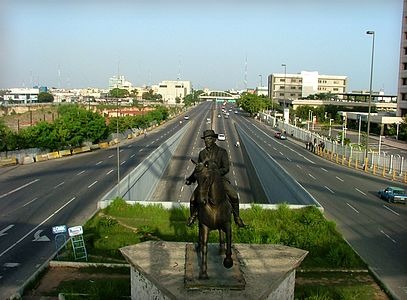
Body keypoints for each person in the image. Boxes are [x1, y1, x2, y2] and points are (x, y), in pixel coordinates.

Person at [185, 129, 245, 227]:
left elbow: (226, 168)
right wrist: (191, 179)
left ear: (213, 140)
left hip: (219, 180)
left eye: (208, 139)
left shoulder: (222, 152)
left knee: (234, 196)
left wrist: (215, 174)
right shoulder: (202, 153)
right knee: (193, 199)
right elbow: (199, 169)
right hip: (205, 181)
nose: (206, 141)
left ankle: (237, 217)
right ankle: (193, 217)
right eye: (205, 139)